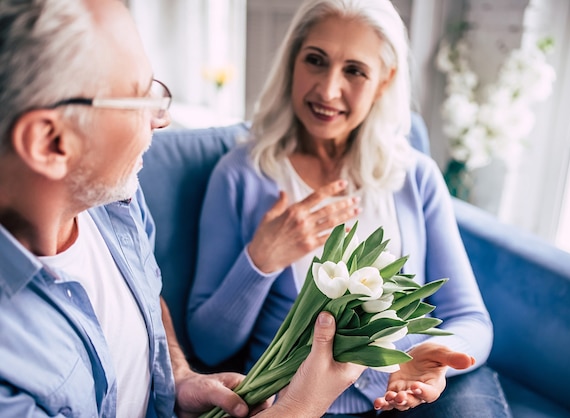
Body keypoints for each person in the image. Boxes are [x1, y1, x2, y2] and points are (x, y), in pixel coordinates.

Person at [0, 0, 380, 417]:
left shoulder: (114, 199)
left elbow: (147, 297)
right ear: (50, 143)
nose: (160, 118)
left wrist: (179, 377)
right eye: (138, 98)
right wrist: (302, 404)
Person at [188, 0, 513, 417]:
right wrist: (260, 261)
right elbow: (209, 346)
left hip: (411, 394)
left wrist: (431, 357)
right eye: (315, 61)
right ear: (292, 62)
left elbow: (469, 316)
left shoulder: (415, 176)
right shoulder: (240, 176)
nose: (327, 90)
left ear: (384, 81)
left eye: (355, 70)